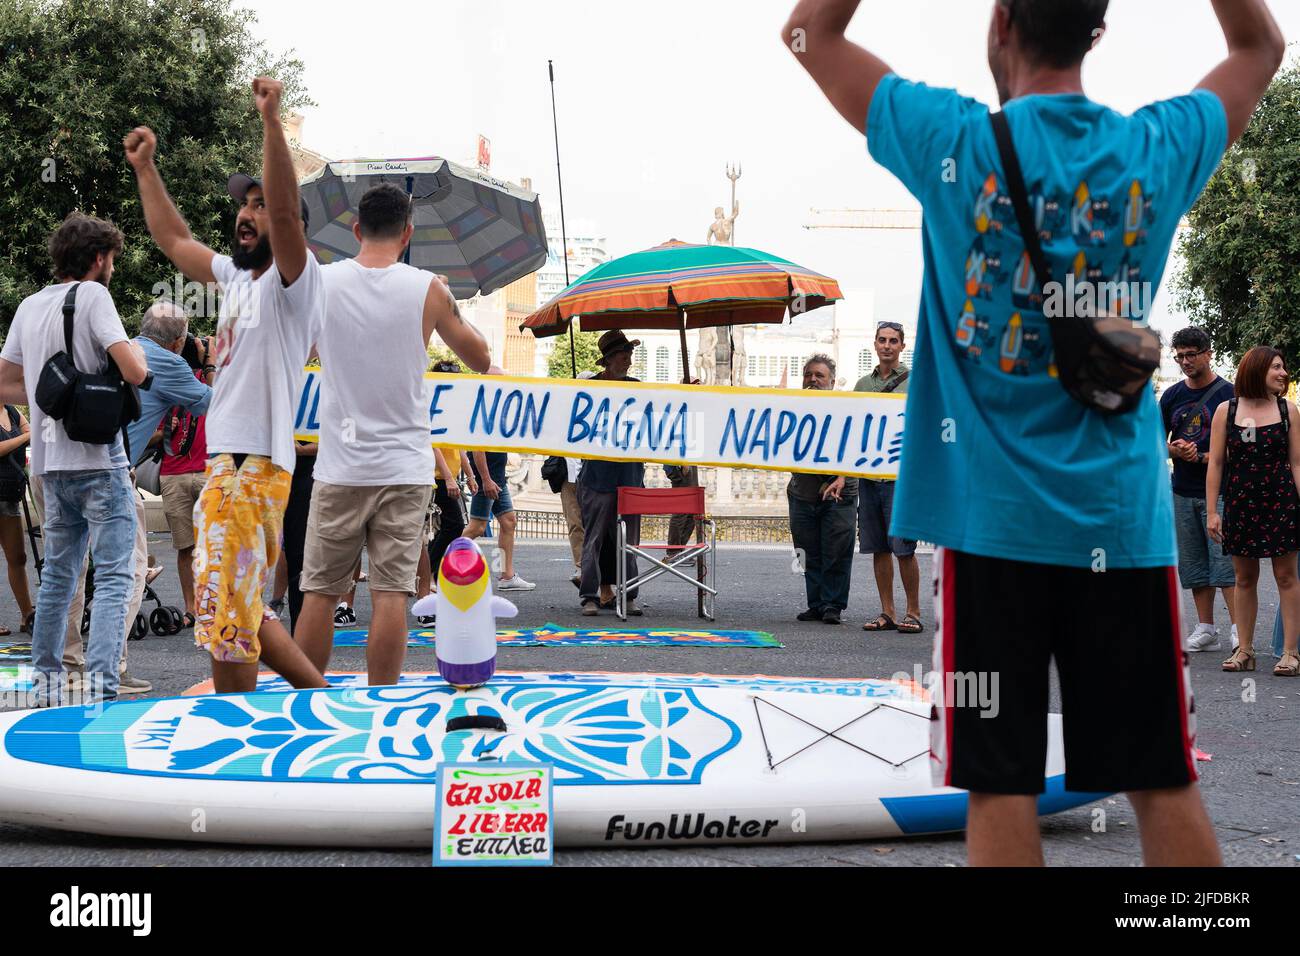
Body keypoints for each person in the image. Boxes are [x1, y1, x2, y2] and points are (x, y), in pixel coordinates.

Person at [786, 0, 1283, 866]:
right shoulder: (1155, 149)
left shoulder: (951, 143)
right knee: (1161, 778)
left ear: (1002, 23)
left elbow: (808, 34)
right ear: (1097, 29)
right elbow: (1261, 44)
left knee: (1000, 783)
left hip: (989, 539)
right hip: (1120, 533)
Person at [125, 77, 330, 693]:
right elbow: (174, 239)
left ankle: (239, 714)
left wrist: (271, 124)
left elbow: (289, 213)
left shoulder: (296, 281)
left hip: (256, 466)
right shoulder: (237, 280)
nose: (245, 214)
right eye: (243, 206)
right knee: (230, 606)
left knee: (228, 613)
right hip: (227, 465)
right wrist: (146, 170)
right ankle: (302, 696)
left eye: (259, 206)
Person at [294, 183, 493, 686]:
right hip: (405, 465)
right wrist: (446, 303)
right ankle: (380, 699)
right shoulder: (428, 288)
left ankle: (302, 702)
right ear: (408, 233)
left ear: (356, 229)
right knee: (391, 594)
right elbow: (481, 358)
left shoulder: (321, 282)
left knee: (319, 591)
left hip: (339, 464)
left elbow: (294, 358)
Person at [0, 211, 150, 705]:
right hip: (99, 462)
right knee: (113, 576)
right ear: (99, 258)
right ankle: (102, 685)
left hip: (48, 462)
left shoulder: (28, 305)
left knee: (59, 577)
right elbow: (132, 370)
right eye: (112, 259)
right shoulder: (94, 295)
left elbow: (3, 380)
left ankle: (46, 682)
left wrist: (51, 397)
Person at [1206, 347, 1300, 678]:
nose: (1283, 373)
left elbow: (1297, 463)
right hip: (1240, 502)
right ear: (1256, 370)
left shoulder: (1288, 409)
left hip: (1282, 500)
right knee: (1244, 578)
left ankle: (1290, 653)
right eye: (1276, 366)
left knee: (1287, 577)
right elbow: (1216, 463)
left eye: (1283, 367)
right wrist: (1213, 512)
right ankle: (1244, 650)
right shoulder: (1225, 411)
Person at [127, 301, 214, 634]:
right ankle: (110, 668)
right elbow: (214, 403)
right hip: (117, 472)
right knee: (131, 570)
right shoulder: (170, 363)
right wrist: (210, 364)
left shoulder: (125, 350)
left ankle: (66, 660)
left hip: (80, 466)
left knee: (71, 571)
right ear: (179, 341)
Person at [1160, 327, 1236, 652]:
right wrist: (1175, 451)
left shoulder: (1229, 394)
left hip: (1220, 490)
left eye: (1192, 355)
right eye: (1179, 356)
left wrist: (1205, 456)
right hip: (1183, 489)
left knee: (1226, 561)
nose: (1185, 362)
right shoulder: (1172, 396)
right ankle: (1206, 628)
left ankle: (1238, 628)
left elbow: (1246, 446)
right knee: (1193, 562)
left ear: (1208, 353)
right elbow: (1150, 443)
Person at [855, 321, 921, 633]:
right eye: (882, 340)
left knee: (903, 547)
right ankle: (888, 612)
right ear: (875, 344)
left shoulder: (916, 382)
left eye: (893, 341)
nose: (887, 345)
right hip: (869, 477)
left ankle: (914, 612)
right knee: (878, 547)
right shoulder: (862, 386)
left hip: (901, 479)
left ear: (902, 346)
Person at [578, 330, 645, 616]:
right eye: (623, 355)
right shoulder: (589, 388)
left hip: (628, 475)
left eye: (629, 355)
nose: (628, 360)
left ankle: (628, 594)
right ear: (608, 360)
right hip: (598, 476)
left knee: (629, 540)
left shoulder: (638, 388)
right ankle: (590, 595)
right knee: (593, 537)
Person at [788, 355, 858, 625]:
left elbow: (857, 446)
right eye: (808, 375)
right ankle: (815, 603)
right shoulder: (793, 408)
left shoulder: (847, 408)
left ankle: (833, 604)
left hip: (840, 491)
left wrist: (842, 475)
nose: (813, 380)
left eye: (819, 375)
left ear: (831, 380)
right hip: (802, 491)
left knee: (837, 550)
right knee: (806, 551)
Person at [466, 451, 535, 591]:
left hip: (497, 478)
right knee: (477, 528)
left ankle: (507, 577)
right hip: (487, 479)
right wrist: (485, 480)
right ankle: (443, 570)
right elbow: (477, 449)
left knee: (509, 522)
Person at [0, 405, 33, 636]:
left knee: (18, 557)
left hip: (10, 493)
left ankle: (27, 614)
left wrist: (27, 436)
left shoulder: (12, 412)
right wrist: (27, 436)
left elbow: (33, 435)